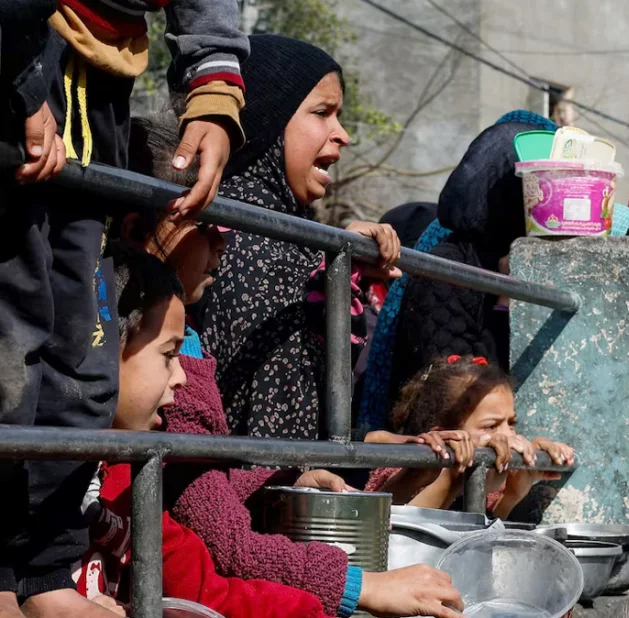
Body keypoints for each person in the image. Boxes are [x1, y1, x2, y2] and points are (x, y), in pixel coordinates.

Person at [122, 115, 466, 618]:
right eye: (211, 226)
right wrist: (361, 586)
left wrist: (285, 476)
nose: (227, 245)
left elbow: (207, 484)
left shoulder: (184, 346)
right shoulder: (162, 372)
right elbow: (222, 541)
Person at [0, 0, 246, 613]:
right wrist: (21, 76)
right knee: (11, 342)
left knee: (81, 354)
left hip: (103, 80)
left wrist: (214, 92)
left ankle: (43, 571)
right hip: (21, 48)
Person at [75, 245, 342, 618]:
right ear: (104, 350)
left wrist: (309, 610)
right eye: (169, 355)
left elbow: (201, 589)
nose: (182, 377)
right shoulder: (37, 477)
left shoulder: (132, 475)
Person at [198, 35, 401, 441]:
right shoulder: (234, 236)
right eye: (322, 112)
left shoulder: (298, 237)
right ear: (268, 119)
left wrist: (339, 264)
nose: (342, 134)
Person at [357, 112, 558, 433]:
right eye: (541, 185)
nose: (550, 201)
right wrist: (504, 298)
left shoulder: (529, 263)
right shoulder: (449, 269)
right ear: (509, 189)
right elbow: (459, 398)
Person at [366, 355, 578, 519]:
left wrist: (513, 492)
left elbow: (482, 539)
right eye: (491, 426)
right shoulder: (403, 472)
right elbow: (392, 535)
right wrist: (456, 479)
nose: (507, 435)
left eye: (511, 423)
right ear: (444, 433)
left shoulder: (493, 476)